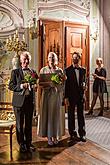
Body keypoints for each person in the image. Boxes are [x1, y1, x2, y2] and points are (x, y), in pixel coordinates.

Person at [8, 51, 38, 152]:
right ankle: (21, 144)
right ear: (21, 60)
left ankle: (29, 143)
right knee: (20, 124)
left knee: (29, 124)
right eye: (24, 59)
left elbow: (35, 83)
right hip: (18, 103)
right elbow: (11, 86)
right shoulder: (15, 72)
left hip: (29, 101)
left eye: (27, 59)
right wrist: (21, 86)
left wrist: (35, 86)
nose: (26, 61)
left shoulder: (33, 72)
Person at [38, 52, 65, 146]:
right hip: (47, 96)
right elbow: (40, 84)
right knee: (48, 115)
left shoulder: (60, 71)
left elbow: (63, 85)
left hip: (56, 95)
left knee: (56, 116)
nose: (51, 59)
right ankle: (49, 137)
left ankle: (55, 136)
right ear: (47, 58)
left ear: (56, 59)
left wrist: (59, 85)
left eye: (53, 57)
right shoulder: (43, 70)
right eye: (50, 57)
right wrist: (49, 84)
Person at [64, 52, 86, 142]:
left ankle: (82, 134)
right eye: (73, 57)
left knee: (81, 115)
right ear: (72, 59)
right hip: (71, 96)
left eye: (77, 57)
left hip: (80, 95)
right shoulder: (67, 70)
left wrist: (85, 87)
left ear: (79, 59)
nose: (75, 59)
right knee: (71, 115)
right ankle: (72, 134)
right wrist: (66, 97)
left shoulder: (83, 70)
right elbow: (66, 85)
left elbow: (84, 81)